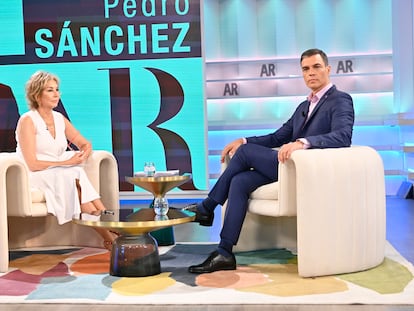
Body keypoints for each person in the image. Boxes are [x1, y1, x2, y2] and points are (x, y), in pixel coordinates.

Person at [185, 48, 355, 273]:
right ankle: (225, 253)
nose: (311, 73)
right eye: (305, 69)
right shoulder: (304, 106)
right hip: (287, 166)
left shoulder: (340, 100)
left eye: (316, 67)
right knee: (240, 182)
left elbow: (343, 136)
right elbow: (277, 137)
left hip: (305, 169)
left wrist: (303, 142)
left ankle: (206, 207)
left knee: (245, 153)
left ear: (328, 69)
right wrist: (244, 139)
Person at [15, 70, 117, 250]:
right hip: (34, 174)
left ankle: (109, 234)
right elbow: (32, 164)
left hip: (58, 171)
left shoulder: (59, 118)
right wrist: (66, 163)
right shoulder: (28, 121)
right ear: (37, 95)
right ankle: (112, 230)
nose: (57, 94)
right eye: (50, 90)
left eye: (57, 89)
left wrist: (85, 152)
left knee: (75, 175)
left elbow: (83, 142)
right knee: (73, 173)